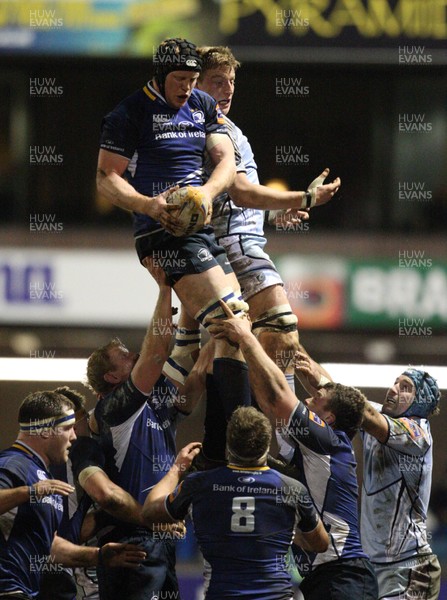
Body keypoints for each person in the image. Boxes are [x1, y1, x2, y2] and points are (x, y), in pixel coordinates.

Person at [209, 301, 378, 600]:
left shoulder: (327, 441)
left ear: (328, 420)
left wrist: (246, 337)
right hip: (326, 578)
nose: (309, 401)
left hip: (343, 577)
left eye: (317, 400)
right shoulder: (310, 449)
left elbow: (276, 397)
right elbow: (272, 400)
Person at [196, 45, 341, 393]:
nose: (228, 89)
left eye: (231, 81)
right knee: (281, 331)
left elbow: (233, 199)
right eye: (217, 81)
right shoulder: (213, 129)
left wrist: (272, 212)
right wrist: (304, 198)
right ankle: (286, 431)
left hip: (226, 244)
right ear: (194, 83)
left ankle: (261, 427)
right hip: (236, 247)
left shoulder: (215, 125)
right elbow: (242, 191)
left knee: (251, 343)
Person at [96, 37, 249, 341]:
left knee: (238, 328)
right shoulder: (129, 113)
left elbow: (227, 162)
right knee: (231, 322)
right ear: (160, 76)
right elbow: (105, 178)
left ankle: (180, 378)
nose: (186, 88)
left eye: (192, 80)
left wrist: (205, 193)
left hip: (200, 227)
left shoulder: (202, 104)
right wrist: (148, 205)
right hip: (162, 231)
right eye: (179, 80)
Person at [85, 259, 206, 600]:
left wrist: (207, 335)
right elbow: (155, 354)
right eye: (124, 355)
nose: (133, 353)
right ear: (112, 377)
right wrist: (166, 287)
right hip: (132, 540)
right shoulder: (114, 408)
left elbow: (190, 395)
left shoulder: (155, 395)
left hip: (162, 539)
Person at [142, 406, 329, 599]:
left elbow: (148, 512)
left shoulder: (199, 484)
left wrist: (177, 468)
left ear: (228, 443)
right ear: (267, 445)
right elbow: (321, 544)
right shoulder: (292, 489)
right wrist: (284, 532)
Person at [0, 390, 146, 600]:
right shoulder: (13, 464)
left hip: (25, 593)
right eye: (67, 428)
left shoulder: (43, 476)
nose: (74, 436)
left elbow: (50, 548)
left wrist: (99, 556)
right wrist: (29, 491)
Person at [359, 369, 441, 600]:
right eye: (395, 383)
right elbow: (337, 398)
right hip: (376, 567)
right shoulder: (378, 419)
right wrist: (302, 361)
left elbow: (357, 409)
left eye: (405, 387)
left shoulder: (418, 432)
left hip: (409, 567)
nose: (393, 389)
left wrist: (336, 395)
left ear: (420, 401)